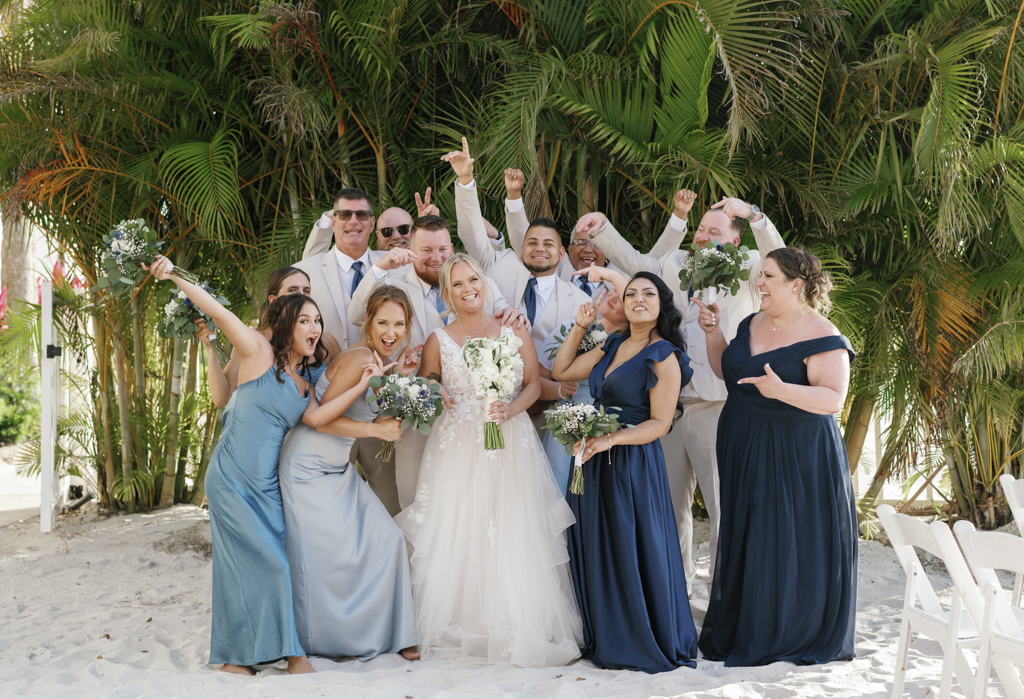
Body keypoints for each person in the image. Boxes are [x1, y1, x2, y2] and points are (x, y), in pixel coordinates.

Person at [146, 256, 383, 676]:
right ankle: (288, 657)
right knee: (267, 563)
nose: (315, 329)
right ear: (286, 323)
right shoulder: (255, 351)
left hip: (267, 484)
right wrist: (174, 273)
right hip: (232, 476)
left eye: (317, 321)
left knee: (272, 563)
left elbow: (318, 419)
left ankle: (245, 657)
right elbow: (217, 311)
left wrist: (365, 391)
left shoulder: (304, 382)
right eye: (306, 321)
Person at [575, 196, 785, 594]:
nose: (702, 237)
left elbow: (781, 256)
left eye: (714, 231)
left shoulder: (752, 269)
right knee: (669, 507)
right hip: (667, 407)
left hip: (721, 405)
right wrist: (602, 228)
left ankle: (726, 595)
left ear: (736, 242)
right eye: (700, 229)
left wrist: (755, 214)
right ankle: (675, 590)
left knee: (724, 506)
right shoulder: (676, 265)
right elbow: (642, 266)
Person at [395, 254, 583, 666]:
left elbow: (534, 384)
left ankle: (514, 620)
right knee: (466, 524)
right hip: (458, 442)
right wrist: (436, 390)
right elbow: (430, 379)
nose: (468, 289)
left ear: (484, 283)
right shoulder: (438, 339)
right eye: (458, 284)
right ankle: (470, 623)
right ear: (447, 293)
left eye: (473, 280)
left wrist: (512, 410)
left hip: (509, 439)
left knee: (510, 524)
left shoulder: (511, 328)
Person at [694, 248, 857, 667]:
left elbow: (833, 399)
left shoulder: (824, 334)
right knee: (748, 532)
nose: (758, 283)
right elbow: (728, 372)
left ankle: (788, 631)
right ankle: (746, 624)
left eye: (766, 276)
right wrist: (713, 333)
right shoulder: (751, 322)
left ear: (795, 285)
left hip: (796, 450)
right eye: (759, 275)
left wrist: (782, 390)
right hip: (743, 441)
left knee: (785, 535)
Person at [551, 271, 699, 674]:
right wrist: (582, 326)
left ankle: (635, 635)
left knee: (628, 544)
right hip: (592, 458)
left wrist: (611, 440)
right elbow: (562, 371)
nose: (637, 299)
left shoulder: (663, 355)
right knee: (596, 541)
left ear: (660, 305)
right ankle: (602, 630)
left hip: (630, 461)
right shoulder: (613, 342)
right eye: (630, 292)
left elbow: (660, 423)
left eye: (648, 293)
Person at [278, 285, 421, 662]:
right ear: (368, 324)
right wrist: (375, 430)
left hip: (336, 467)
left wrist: (400, 381)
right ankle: (316, 639)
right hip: (308, 466)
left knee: (387, 538)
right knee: (322, 556)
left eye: (400, 324)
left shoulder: (379, 362)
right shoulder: (359, 359)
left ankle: (398, 633)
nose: (392, 332)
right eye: (384, 322)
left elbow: (375, 413)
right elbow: (323, 421)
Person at [347, 214, 525, 511]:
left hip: (473, 419)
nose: (436, 258)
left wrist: (512, 312)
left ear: (451, 247)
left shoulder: (472, 281)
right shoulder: (394, 284)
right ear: (411, 249)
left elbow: (500, 312)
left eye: (443, 249)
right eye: (426, 250)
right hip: (417, 419)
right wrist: (380, 267)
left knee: (470, 506)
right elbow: (356, 315)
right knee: (416, 503)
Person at [445, 138, 589, 418]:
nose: (539, 248)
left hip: (556, 405)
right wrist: (465, 181)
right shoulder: (499, 263)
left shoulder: (579, 300)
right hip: (493, 402)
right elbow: (472, 231)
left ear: (562, 254)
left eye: (548, 244)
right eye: (532, 242)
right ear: (521, 248)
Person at [293, 187, 400, 514]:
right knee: (323, 510)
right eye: (345, 214)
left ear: (371, 225)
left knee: (389, 505)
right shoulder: (305, 270)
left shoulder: (395, 268)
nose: (353, 221)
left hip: (378, 407)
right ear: (333, 220)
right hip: (324, 405)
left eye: (362, 215)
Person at [504, 172, 695, 296]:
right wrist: (514, 196)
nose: (588, 249)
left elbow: (658, 261)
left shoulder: (623, 272)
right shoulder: (555, 268)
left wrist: (679, 216)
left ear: (608, 250)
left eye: (597, 244)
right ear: (567, 250)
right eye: (580, 243)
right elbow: (526, 242)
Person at [195, 267, 342, 412]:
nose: (301, 296)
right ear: (273, 300)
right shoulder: (253, 341)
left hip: (317, 430)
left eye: (306, 290)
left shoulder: (325, 343)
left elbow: (341, 394)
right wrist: (211, 349)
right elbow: (222, 398)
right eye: (293, 290)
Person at [535, 267, 629, 494]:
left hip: (604, 425)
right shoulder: (571, 326)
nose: (614, 296)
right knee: (559, 484)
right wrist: (560, 389)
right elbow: (541, 374)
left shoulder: (629, 346)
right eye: (613, 290)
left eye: (623, 295)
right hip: (565, 420)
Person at [303, 186, 506, 258]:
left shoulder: (431, 263)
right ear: (375, 231)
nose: (396, 236)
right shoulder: (366, 261)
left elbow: (486, 266)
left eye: (403, 229)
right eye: (387, 231)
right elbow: (311, 265)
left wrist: (427, 226)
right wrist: (335, 218)